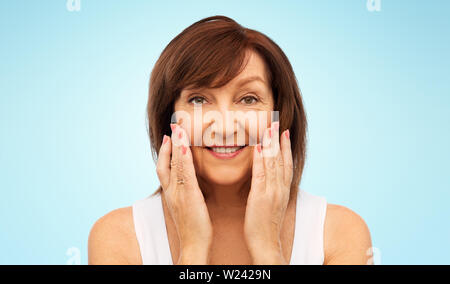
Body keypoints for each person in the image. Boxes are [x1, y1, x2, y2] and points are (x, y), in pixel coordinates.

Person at [88, 15, 372, 265]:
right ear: (169, 118)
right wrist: (193, 249)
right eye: (199, 99)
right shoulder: (118, 237)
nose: (224, 127)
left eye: (248, 99)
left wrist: (267, 248)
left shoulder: (339, 233)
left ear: (280, 114)